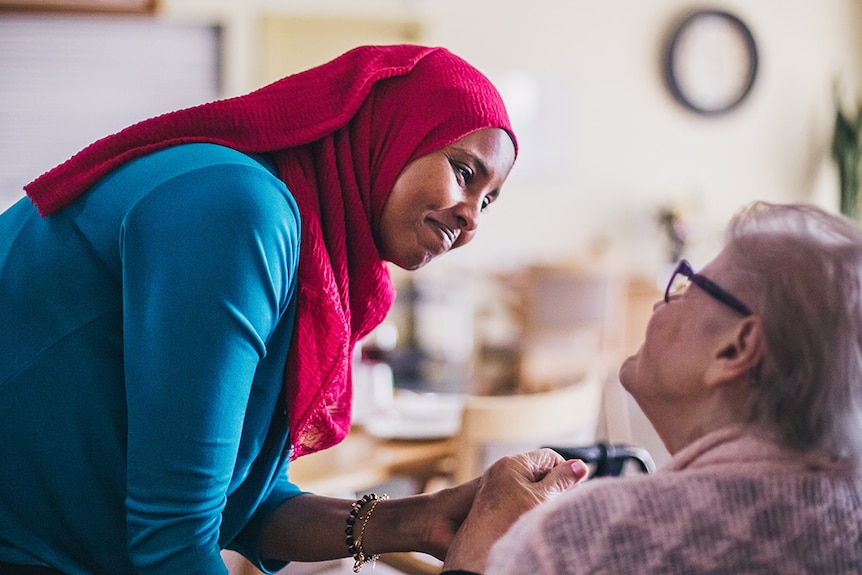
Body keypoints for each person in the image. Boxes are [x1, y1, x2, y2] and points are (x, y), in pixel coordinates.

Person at [0, 44, 585, 575]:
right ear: (394, 131)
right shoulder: (239, 214)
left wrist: (419, 518)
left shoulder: (311, 253)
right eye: (464, 173)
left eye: (488, 201)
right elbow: (171, 541)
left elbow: (239, 507)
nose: (472, 218)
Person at [441, 201, 862, 575]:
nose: (663, 302)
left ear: (736, 348)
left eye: (689, 286)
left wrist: (476, 559)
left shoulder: (580, 541)